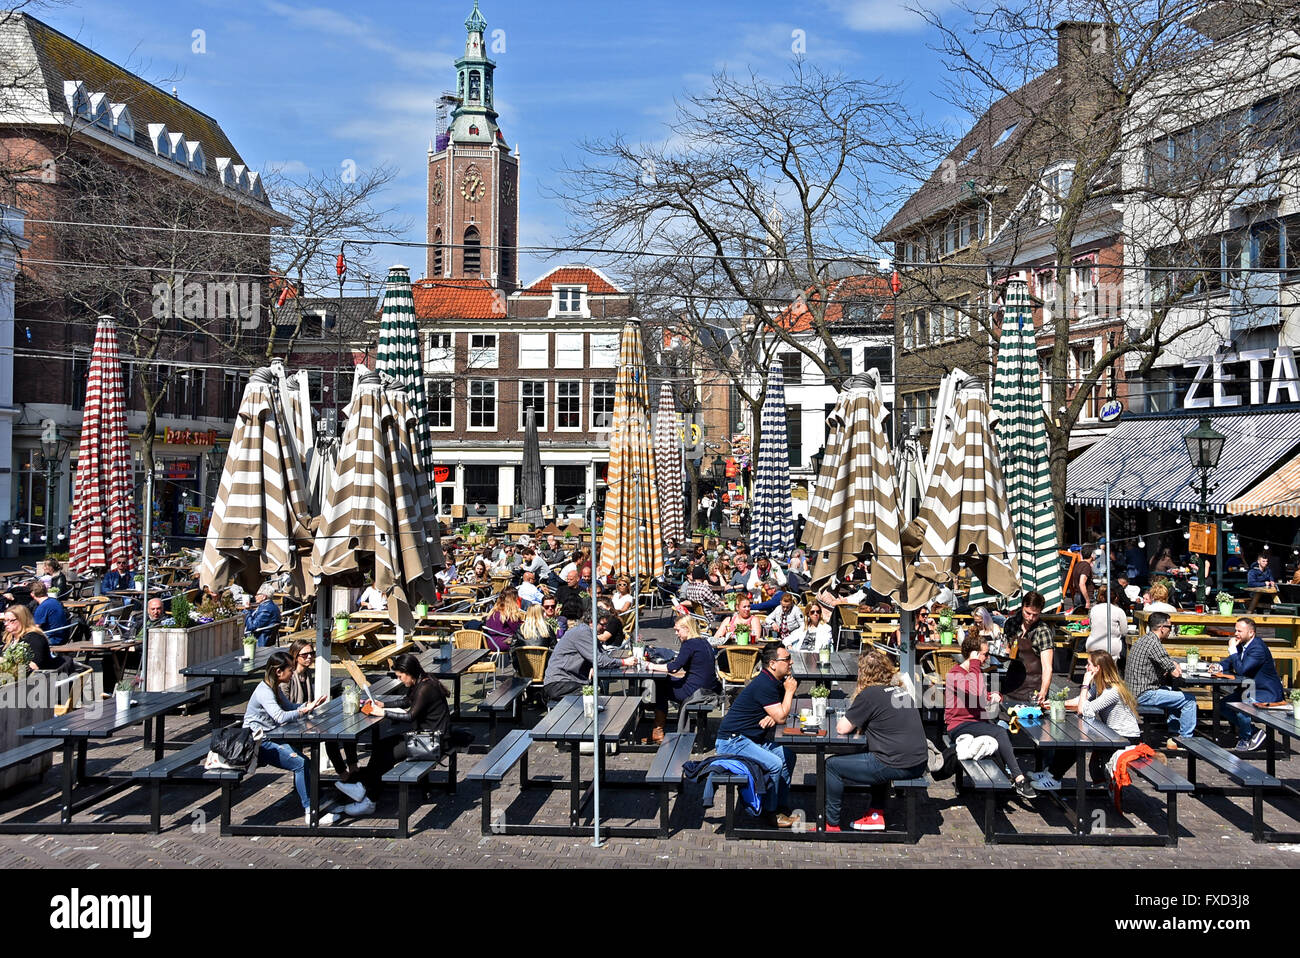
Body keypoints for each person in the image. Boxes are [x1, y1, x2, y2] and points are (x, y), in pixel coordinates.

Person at [825, 651, 929, 832]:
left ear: (864, 673)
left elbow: (842, 728)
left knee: (831, 765)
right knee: (876, 753)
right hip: (919, 761)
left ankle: (830, 824)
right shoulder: (901, 691)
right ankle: (875, 814)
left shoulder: (870, 694)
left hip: (897, 763)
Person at [345, 653, 453, 816]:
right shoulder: (423, 681)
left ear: (408, 671)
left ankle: (370, 799)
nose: (400, 680)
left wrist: (383, 713)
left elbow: (410, 716)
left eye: (400, 676)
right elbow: (407, 701)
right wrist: (384, 704)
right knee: (381, 746)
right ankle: (364, 787)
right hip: (426, 738)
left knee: (387, 754)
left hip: (433, 743)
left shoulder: (425, 688)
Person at [241, 651, 334, 826]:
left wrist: (308, 705)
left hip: (271, 736)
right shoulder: (265, 691)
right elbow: (280, 717)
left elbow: (289, 707)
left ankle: (317, 799)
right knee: (301, 763)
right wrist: (302, 711)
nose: (292, 674)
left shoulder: (273, 687)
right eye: (290, 670)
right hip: (258, 742)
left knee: (306, 762)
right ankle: (310, 810)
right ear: (278, 671)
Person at [713, 642, 798, 828]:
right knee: (775, 764)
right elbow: (783, 716)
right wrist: (790, 692)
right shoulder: (765, 684)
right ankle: (769, 814)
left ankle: (780, 806)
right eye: (787, 659)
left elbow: (778, 712)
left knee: (788, 756)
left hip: (748, 739)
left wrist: (772, 715)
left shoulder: (774, 681)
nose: (791, 663)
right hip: (732, 741)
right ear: (773, 664)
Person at [944, 631, 1036, 799]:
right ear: (973, 654)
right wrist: (974, 663)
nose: (987, 658)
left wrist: (993, 696)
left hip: (975, 722)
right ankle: (1019, 779)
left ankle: (1003, 787)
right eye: (985, 654)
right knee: (999, 732)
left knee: (1000, 735)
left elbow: (979, 694)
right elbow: (974, 690)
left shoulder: (974, 672)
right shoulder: (954, 675)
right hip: (959, 724)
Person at [280, 639, 358, 786]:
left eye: (311, 654)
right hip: (291, 722)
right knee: (331, 737)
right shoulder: (288, 678)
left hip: (306, 719)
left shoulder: (307, 673)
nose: (309, 657)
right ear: (296, 656)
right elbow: (285, 707)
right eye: (305, 655)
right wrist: (308, 706)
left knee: (343, 728)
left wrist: (314, 706)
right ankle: (343, 775)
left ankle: (352, 770)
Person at [643, 615, 721, 743]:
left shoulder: (689, 644)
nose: (676, 633)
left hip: (696, 691)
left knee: (660, 687)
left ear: (687, 628)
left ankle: (658, 730)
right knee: (664, 682)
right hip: (709, 688)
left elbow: (673, 668)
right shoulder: (703, 641)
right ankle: (654, 720)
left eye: (678, 630)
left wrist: (650, 665)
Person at [1124, 611, 1196, 747]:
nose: (1171, 630)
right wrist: (1174, 666)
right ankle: (1187, 741)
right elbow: (1175, 673)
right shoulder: (1154, 644)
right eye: (1170, 627)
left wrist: (1171, 664)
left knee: (1175, 692)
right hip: (1143, 693)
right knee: (1189, 700)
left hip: (1133, 691)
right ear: (1162, 628)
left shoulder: (1144, 639)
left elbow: (1165, 662)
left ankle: (1174, 733)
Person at [540, 598, 634, 702]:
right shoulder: (583, 632)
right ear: (591, 622)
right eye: (602, 625)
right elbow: (600, 660)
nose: (605, 628)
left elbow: (601, 657)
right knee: (595, 697)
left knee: (598, 696)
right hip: (559, 684)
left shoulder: (589, 633)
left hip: (569, 681)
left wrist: (593, 665)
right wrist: (624, 662)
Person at [1067, 651, 1140, 782]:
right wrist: (1054, 704)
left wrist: (1085, 684)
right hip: (1111, 734)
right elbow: (1080, 701)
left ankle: (1053, 776)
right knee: (1075, 743)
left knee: (1076, 745)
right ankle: (1052, 774)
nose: (1085, 668)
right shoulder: (1100, 685)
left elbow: (1082, 710)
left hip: (1125, 737)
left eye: (1088, 664)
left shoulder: (1113, 690)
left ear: (1097, 668)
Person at [1217, 616, 1285, 752]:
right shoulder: (1243, 645)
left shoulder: (1257, 648)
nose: (1236, 634)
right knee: (1222, 706)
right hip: (1250, 689)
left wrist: (1232, 650)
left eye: (1240, 631)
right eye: (1235, 630)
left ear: (1251, 633)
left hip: (1266, 692)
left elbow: (1242, 669)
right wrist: (1217, 666)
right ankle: (1254, 732)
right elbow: (1230, 662)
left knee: (1243, 707)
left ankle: (1246, 737)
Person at [1001, 591, 1055, 707]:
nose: (1031, 618)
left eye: (1035, 614)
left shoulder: (1043, 631)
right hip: (1011, 685)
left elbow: (1047, 667)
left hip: (1033, 689)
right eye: (1028, 613)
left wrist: (1043, 692)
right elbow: (1006, 653)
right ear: (1022, 606)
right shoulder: (1011, 624)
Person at [3, 604, 69, 672]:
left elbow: (34, 666)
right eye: (5, 621)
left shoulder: (35, 638)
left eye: (10, 621)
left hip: (37, 678)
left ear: (22, 620)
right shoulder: (9, 637)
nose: (6, 624)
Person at [1086, 585, 1129, 659]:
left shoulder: (1094, 609)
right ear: (1116, 598)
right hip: (1112, 647)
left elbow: (1091, 625)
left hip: (1092, 644)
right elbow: (1124, 631)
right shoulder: (1119, 611)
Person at [1070, 546, 1095, 612]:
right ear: (1092, 555)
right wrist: (1087, 601)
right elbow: (1081, 583)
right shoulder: (1086, 566)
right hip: (1084, 598)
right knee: (1087, 620)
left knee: (1078, 621)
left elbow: (1073, 582)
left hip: (1077, 596)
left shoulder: (1077, 564)